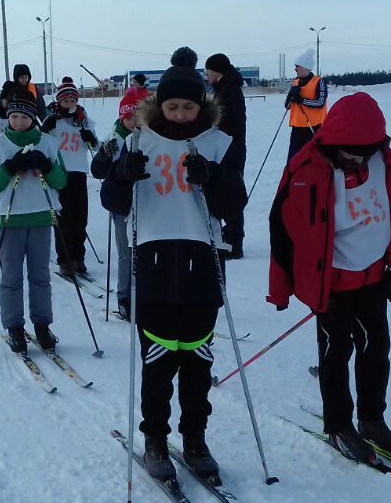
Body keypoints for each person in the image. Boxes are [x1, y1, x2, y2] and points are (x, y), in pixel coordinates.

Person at [267, 92, 391, 464]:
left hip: (374, 278)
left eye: (366, 150)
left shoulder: (383, 165)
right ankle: (339, 424)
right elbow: (284, 231)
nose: (359, 158)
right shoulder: (306, 169)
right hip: (331, 285)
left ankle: (372, 418)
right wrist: (285, 288)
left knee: (376, 349)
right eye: (351, 152)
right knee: (334, 353)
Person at [102, 62, 246, 481]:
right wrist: (121, 174)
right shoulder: (137, 141)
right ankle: (155, 439)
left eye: (187, 106)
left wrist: (213, 177)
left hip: (203, 260)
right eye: (172, 107)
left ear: (199, 105)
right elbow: (113, 200)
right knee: (159, 358)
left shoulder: (217, 142)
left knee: (198, 357)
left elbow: (233, 201)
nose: (180, 114)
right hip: (155, 257)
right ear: (159, 106)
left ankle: (196, 438)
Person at [0, 93, 66, 353]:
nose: (18, 122)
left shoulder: (49, 144)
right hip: (8, 218)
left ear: (33, 118)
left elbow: (61, 182)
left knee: (40, 275)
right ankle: (14, 326)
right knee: (11, 276)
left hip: (41, 215)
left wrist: (47, 167)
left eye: (25, 117)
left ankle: (42, 325)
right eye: (14, 116)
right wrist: (9, 167)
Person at [41, 78, 98, 277]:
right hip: (60, 174)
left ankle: (78, 256)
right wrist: (44, 128)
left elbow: (96, 146)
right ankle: (64, 259)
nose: (70, 105)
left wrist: (91, 139)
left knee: (80, 217)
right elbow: (41, 142)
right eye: (66, 101)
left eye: (73, 101)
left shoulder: (84, 119)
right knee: (63, 218)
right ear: (59, 102)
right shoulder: (53, 120)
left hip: (79, 172)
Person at [91, 93, 140, 320]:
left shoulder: (147, 136)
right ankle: (124, 297)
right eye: (129, 117)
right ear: (121, 117)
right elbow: (97, 171)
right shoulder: (113, 138)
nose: (133, 122)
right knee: (126, 253)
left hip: (145, 202)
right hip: (121, 203)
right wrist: (102, 156)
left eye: (137, 116)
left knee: (143, 252)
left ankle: (143, 294)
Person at [205, 52, 247, 260]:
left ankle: (234, 242)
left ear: (217, 71)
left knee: (230, 191)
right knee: (226, 190)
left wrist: (209, 124)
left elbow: (227, 123)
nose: (206, 74)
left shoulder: (229, 91)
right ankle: (231, 236)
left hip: (230, 151)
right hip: (228, 149)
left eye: (208, 70)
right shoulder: (225, 88)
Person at [285, 49, 328, 159]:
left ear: (306, 67)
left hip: (313, 127)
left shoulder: (319, 82)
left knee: (313, 159)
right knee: (293, 160)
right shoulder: (295, 82)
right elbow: (287, 106)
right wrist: (291, 95)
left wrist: (302, 100)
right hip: (297, 128)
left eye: (297, 66)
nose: (295, 69)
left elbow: (320, 102)